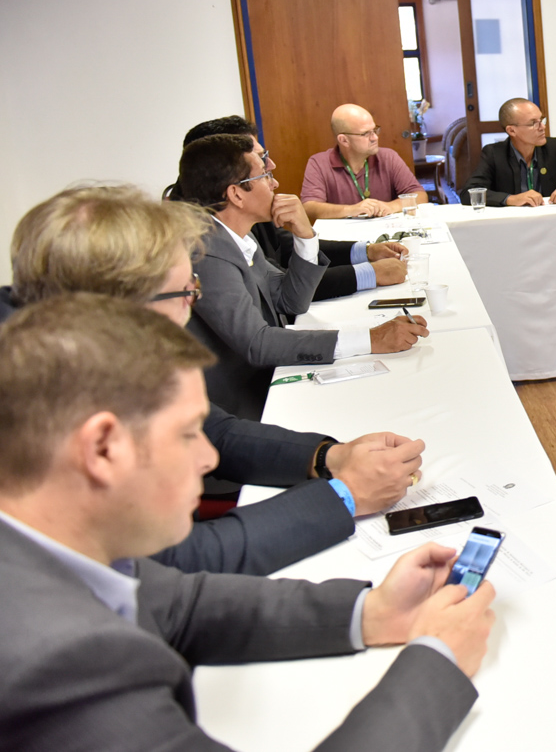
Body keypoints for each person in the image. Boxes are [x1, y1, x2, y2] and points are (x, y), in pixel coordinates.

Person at [0, 293, 494, 752]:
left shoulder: (53, 545)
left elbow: (180, 604)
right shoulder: (55, 663)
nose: (209, 457)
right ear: (103, 448)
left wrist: (374, 611)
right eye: (187, 434)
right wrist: (438, 661)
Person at [2, 184, 425, 575]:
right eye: (186, 291)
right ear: (120, 307)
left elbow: (213, 429)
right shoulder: (31, 403)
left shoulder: (78, 345)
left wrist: (328, 457)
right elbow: (170, 567)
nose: (194, 306)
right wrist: (344, 497)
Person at [176, 135, 427, 421]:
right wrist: (370, 339)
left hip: (267, 379)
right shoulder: (207, 251)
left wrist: (305, 236)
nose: (275, 184)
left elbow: (290, 300)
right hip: (244, 406)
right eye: (265, 176)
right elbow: (258, 344)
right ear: (236, 194)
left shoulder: (237, 238)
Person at [180, 116, 409, 297]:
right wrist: (369, 273)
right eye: (260, 159)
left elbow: (286, 247)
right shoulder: (207, 238)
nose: (271, 165)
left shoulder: (243, 206)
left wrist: (365, 251)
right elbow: (285, 289)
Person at [461, 98, 556, 206]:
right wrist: (510, 199)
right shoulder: (494, 153)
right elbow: (468, 193)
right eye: (534, 123)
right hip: (510, 224)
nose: (542, 127)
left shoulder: (554, 148)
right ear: (512, 130)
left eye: (542, 120)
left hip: (549, 220)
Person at [302, 104, 429, 220]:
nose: (375, 137)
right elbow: (309, 207)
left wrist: (390, 206)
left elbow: (420, 195)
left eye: (375, 130)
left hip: (386, 231)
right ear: (344, 140)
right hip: (344, 236)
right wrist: (351, 210)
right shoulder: (319, 163)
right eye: (365, 134)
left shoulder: (389, 157)